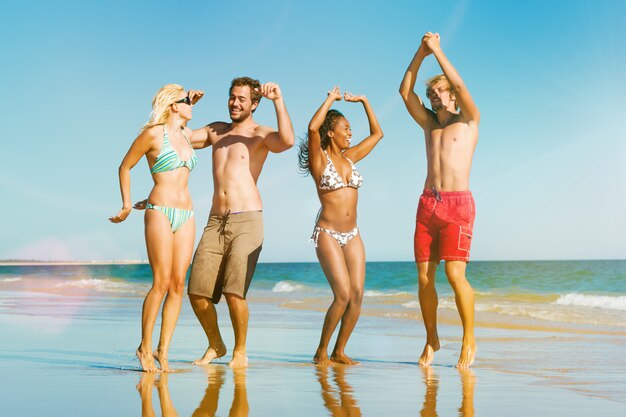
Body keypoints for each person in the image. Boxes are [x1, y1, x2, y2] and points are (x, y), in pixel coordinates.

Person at [186, 76, 294, 368]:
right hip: (215, 221)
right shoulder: (216, 131)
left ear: (254, 104)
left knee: (234, 292)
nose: (235, 103)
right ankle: (216, 344)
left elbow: (287, 141)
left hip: (247, 220)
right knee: (196, 292)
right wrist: (186, 107)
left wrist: (279, 101)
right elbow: (180, 138)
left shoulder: (259, 134)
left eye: (242, 99)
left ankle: (240, 351)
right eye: (232, 97)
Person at [399, 32, 480, 368]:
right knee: (423, 278)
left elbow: (460, 86)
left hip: (458, 205)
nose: (433, 97)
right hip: (427, 205)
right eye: (430, 94)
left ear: (452, 96)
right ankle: (431, 338)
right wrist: (420, 53)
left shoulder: (469, 120)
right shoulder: (428, 125)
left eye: (438, 92)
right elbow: (405, 92)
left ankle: (469, 339)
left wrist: (438, 51)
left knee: (455, 276)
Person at [110, 84, 202, 372]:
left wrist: (192, 102)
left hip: (186, 214)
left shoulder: (187, 135)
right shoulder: (152, 134)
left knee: (178, 285)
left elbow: (199, 129)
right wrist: (126, 204)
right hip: (159, 211)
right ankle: (144, 348)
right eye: (186, 100)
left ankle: (164, 351)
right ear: (174, 105)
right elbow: (125, 166)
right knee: (161, 283)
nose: (191, 103)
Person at [298, 86, 383, 365]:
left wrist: (365, 101)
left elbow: (377, 135)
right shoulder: (319, 160)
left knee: (357, 295)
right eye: (345, 128)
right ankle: (321, 350)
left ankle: (339, 350)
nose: (350, 133)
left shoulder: (350, 158)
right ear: (331, 132)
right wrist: (330, 99)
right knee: (342, 294)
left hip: (353, 233)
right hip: (328, 234)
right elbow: (312, 129)